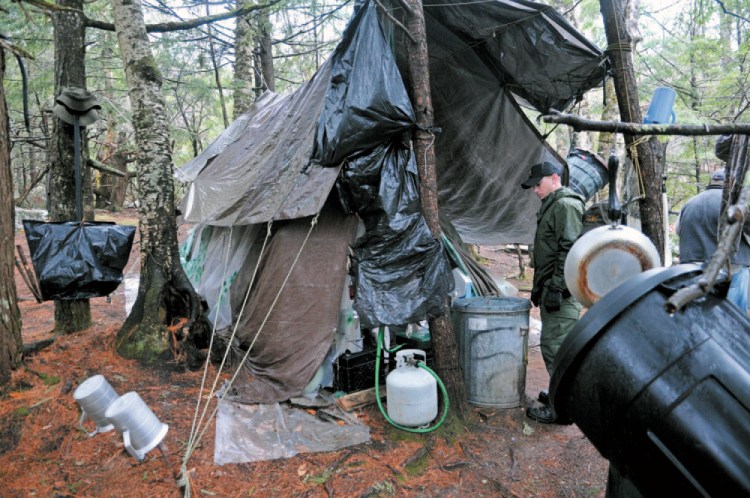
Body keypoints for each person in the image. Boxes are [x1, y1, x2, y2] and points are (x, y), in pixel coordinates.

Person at [521, 161, 584, 424]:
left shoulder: (565, 205)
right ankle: (561, 397)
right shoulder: (553, 205)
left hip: (561, 291)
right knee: (556, 346)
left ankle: (564, 409)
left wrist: (557, 287)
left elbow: (568, 250)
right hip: (551, 288)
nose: (535, 190)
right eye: (534, 186)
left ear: (554, 178)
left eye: (538, 184)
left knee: (555, 348)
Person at [676, 169, 750, 311]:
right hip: (731, 271)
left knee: (702, 316)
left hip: (695, 270)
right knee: (733, 317)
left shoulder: (689, 203)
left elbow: (679, 230)